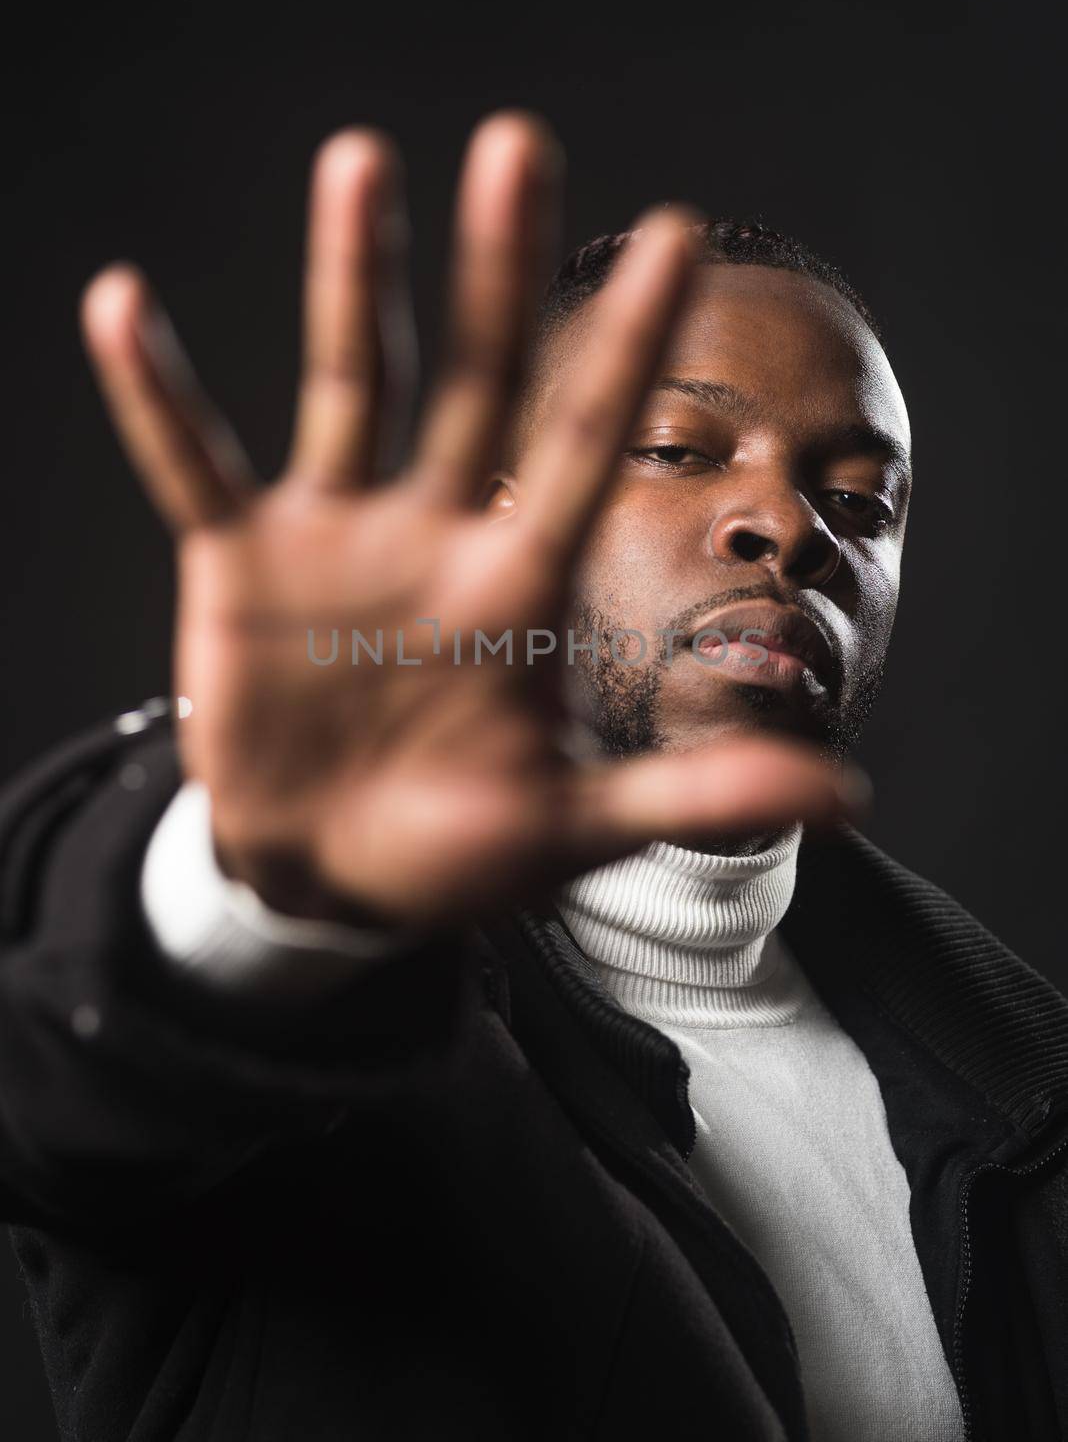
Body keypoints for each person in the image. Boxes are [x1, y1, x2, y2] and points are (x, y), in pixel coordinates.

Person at [1, 111, 1066, 1442]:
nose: (788, 525)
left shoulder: (1016, 1080)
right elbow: (53, 1089)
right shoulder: (331, 1042)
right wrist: (257, 899)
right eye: (679, 449)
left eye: (861, 502)